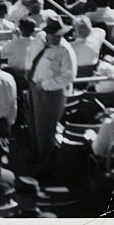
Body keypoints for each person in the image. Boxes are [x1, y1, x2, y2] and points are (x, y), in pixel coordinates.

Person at [27, 17, 78, 176]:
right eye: (54, 34)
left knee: (46, 129)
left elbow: (69, 76)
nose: (57, 37)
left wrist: (46, 85)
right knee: (35, 125)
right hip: (34, 86)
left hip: (51, 93)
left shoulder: (65, 51)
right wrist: (28, 70)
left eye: (60, 35)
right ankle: (37, 156)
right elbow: (31, 53)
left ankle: (46, 166)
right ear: (47, 33)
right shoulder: (40, 39)